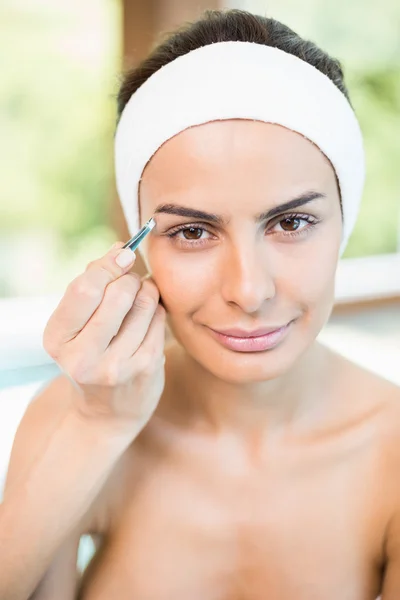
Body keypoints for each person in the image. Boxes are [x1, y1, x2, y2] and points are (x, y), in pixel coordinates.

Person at [1, 9, 399, 600]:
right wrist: (95, 425)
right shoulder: (76, 415)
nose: (249, 290)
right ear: (139, 242)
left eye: (291, 222)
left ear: (345, 222)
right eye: (192, 232)